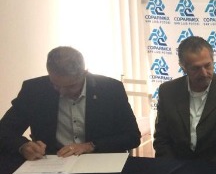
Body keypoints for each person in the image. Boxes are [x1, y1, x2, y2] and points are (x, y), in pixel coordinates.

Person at [0, 46, 140, 160]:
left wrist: (90, 146)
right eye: (56, 85)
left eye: (71, 86)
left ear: (84, 73)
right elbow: (4, 131)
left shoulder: (110, 89)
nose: (62, 92)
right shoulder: (35, 90)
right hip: (50, 164)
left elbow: (132, 136)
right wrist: (23, 146)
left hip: (99, 163)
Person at [153, 36, 216, 161]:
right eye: (196, 68)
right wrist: (172, 166)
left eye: (208, 65)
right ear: (183, 67)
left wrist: (204, 169)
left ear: (213, 61)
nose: (203, 73)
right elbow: (161, 139)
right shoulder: (167, 91)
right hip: (176, 166)